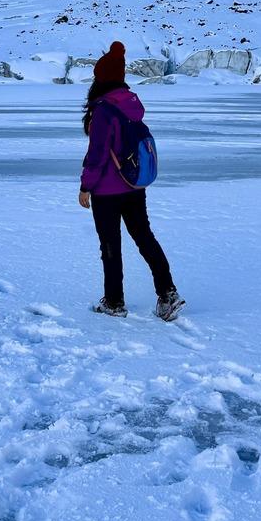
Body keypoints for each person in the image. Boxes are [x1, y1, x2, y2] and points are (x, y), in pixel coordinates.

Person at [79, 41, 184, 321]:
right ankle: (168, 293)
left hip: (107, 190)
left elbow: (98, 154)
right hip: (134, 184)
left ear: (101, 79)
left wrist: (85, 186)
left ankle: (114, 302)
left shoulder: (103, 110)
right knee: (145, 237)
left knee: (111, 246)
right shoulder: (131, 104)